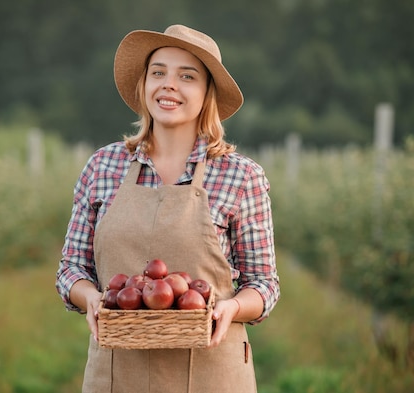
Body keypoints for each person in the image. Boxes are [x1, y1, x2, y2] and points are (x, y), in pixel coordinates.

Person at [56, 24, 280, 393]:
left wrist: (231, 308)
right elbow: (71, 269)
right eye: (158, 72)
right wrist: (92, 297)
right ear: (144, 85)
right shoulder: (103, 166)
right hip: (118, 374)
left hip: (211, 371)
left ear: (207, 92)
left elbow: (263, 284)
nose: (169, 84)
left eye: (186, 76)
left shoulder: (242, 176)